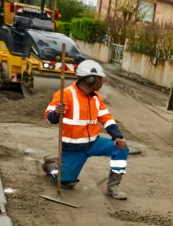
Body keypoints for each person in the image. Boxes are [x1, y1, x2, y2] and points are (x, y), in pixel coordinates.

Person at [42, 60, 129, 200]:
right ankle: (51, 165)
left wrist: (117, 136)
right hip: (73, 147)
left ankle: (113, 187)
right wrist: (57, 113)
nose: (103, 82)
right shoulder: (66, 95)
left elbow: (106, 118)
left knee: (121, 149)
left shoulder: (96, 98)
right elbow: (49, 118)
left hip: (94, 143)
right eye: (100, 79)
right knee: (65, 182)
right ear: (90, 79)